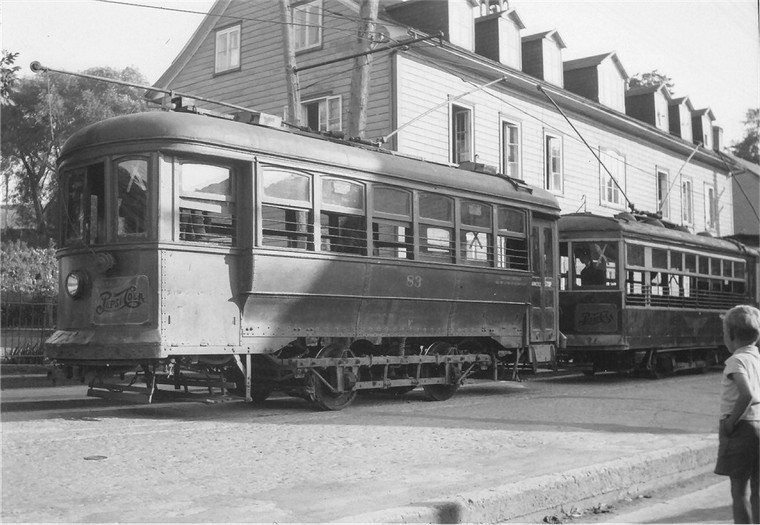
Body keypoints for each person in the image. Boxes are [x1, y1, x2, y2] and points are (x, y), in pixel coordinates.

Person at [715, 304, 760, 524]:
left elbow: (747, 393)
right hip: (759, 422)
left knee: (739, 491)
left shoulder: (736, 360)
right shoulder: (757, 359)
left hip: (742, 428)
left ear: (731, 335)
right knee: (758, 490)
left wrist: (731, 422)